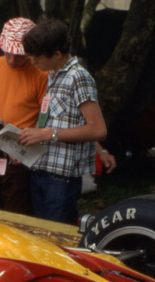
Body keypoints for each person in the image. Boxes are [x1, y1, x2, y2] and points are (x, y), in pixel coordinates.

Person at [18, 19, 107, 224]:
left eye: (37, 57)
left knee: (57, 235)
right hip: (41, 170)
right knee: (41, 234)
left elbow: (98, 130)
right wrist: (27, 142)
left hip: (61, 178)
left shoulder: (78, 77)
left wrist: (48, 133)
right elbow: (53, 122)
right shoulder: (52, 75)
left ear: (57, 54)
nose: (32, 61)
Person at [0, 17, 48, 216]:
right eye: (7, 53)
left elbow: (45, 122)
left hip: (18, 157)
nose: (12, 60)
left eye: (19, 54)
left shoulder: (41, 74)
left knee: (16, 217)